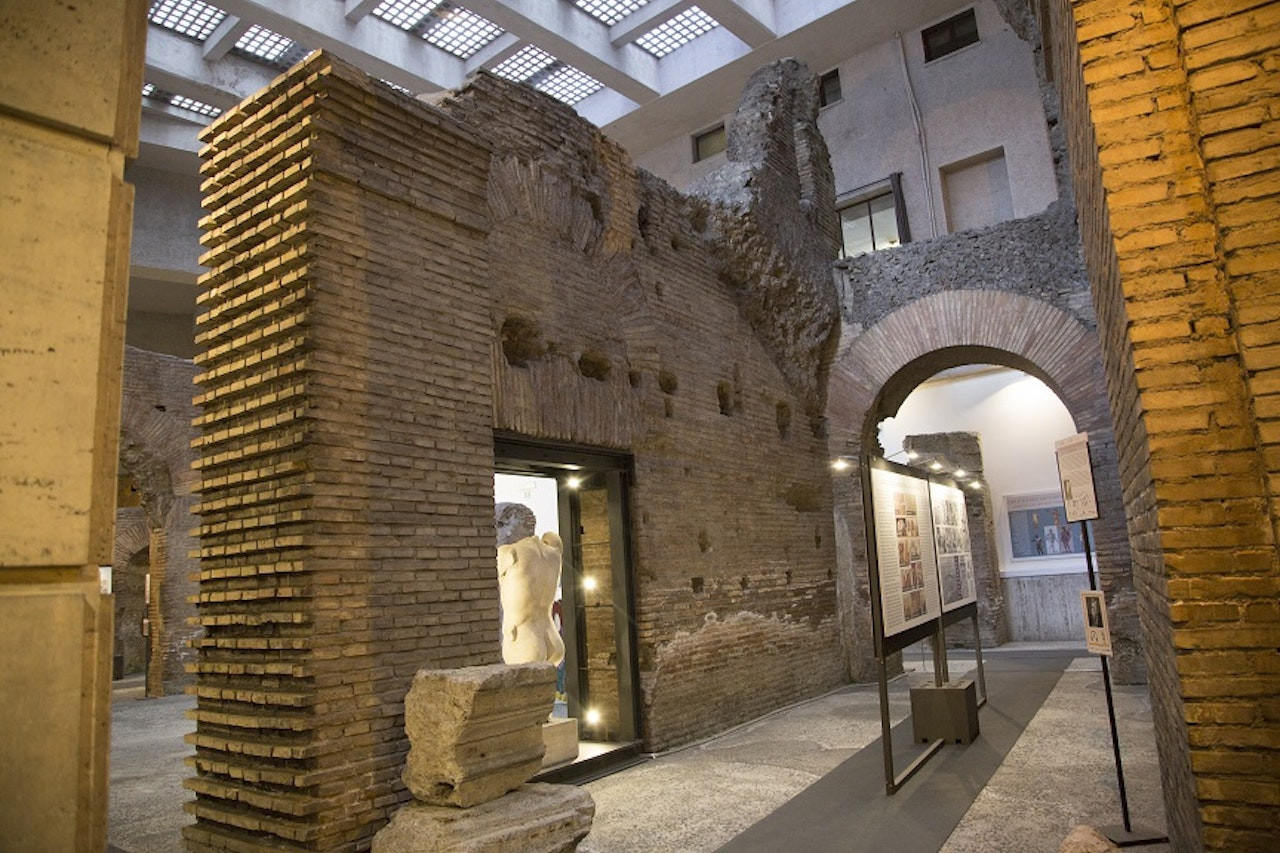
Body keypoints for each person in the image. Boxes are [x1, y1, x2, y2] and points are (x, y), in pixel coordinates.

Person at [496, 531, 566, 666]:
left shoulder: (509, 552)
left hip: (524, 635)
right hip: (551, 634)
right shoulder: (554, 554)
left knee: (522, 683)